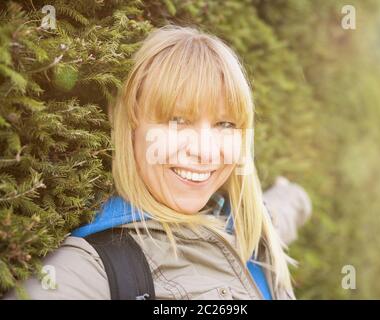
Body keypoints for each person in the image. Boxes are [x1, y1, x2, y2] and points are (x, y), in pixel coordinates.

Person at [4, 25, 311, 300]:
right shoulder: (99, 267)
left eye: (225, 124)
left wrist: (295, 194)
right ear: (132, 129)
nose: (206, 152)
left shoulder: (249, 225)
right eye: (178, 121)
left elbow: (283, 210)